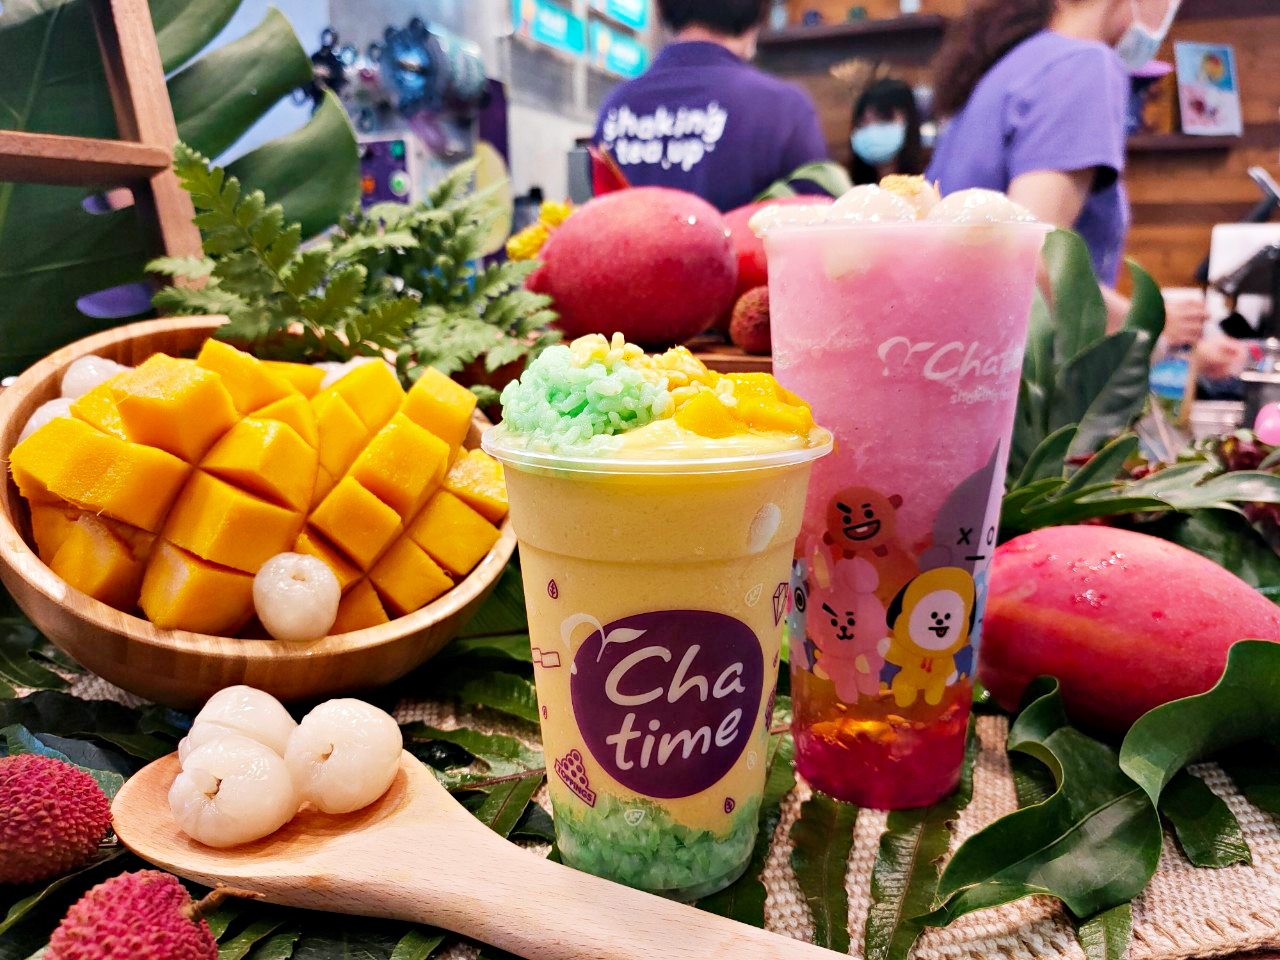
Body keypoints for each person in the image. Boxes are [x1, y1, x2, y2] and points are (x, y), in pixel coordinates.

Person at [927, 0, 1246, 378]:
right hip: (1014, 383)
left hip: (954, 366)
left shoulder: (1006, 71)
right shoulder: (1083, 64)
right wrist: (1151, 331)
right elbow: (1036, 258)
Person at [592, 0, 829, 212]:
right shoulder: (783, 108)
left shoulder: (615, 105)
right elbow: (817, 225)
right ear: (760, 10)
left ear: (660, 7)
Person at [849, 78, 925, 185]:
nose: (872, 129)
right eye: (862, 122)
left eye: (883, 119)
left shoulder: (929, 186)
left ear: (909, 120)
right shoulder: (849, 190)